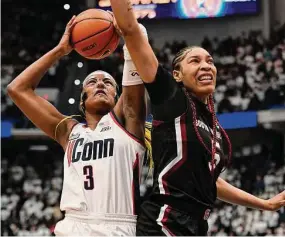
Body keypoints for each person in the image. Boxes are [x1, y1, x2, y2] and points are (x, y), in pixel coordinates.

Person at [108, 1, 285, 235]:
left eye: (210, 61)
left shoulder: (215, 128)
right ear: (177, 75)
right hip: (164, 220)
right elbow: (131, 30)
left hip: (197, 225)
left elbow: (210, 182)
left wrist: (264, 204)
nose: (206, 66)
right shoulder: (173, 99)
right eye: (195, 61)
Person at [7, 15, 147, 236]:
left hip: (118, 226)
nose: (100, 83)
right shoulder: (68, 131)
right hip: (73, 226)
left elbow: (132, 88)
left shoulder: (128, 123)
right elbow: (17, 89)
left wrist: (131, 36)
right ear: (82, 100)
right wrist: (60, 50)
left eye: (108, 83)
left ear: (116, 96)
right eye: (92, 82)